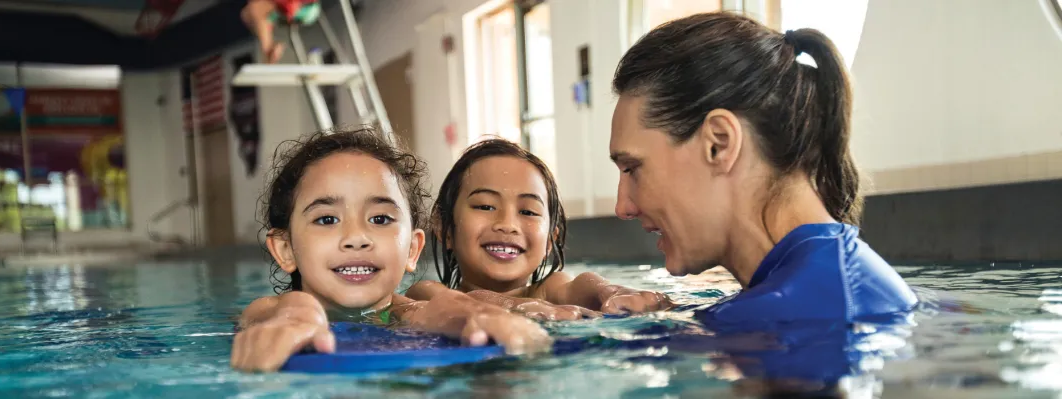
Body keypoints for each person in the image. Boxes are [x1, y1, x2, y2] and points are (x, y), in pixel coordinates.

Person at [608, 12, 917, 323]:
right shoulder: (826, 287)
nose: (623, 207)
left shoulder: (790, 317)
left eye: (632, 168)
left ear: (719, 143)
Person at [230, 127, 552, 372]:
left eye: (380, 218)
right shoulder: (272, 311)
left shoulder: (408, 311)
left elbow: (441, 310)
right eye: (327, 219)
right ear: (285, 248)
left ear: (412, 249)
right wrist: (300, 312)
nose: (356, 237)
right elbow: (273, 314)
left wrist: (477, 316)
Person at [407, 138, 674, 320]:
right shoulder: (426, 293)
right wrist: (515, 306)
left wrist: (613, 292)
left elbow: (582, 284)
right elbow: (458, 303)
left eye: (528, 212)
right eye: (485, 206)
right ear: (444, 229)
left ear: (549, 240)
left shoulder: (550, 291)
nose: (507, 225)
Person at [240, 0, 321, 64]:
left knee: (255, 9)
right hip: (289, 8)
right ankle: (269, 50)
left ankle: (268, 50)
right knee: (247, 15)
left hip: (305, 6)